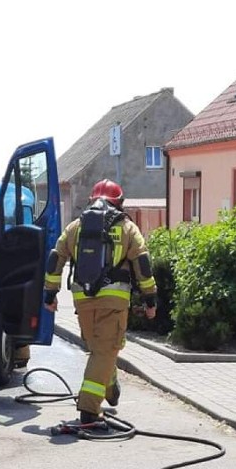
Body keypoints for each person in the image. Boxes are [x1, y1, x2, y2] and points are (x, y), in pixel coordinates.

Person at [43, 179, 157, 427]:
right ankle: (89, 409)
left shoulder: (75, 227)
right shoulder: (127, 227)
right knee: (106, 350)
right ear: (119, 202)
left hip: (82, 299)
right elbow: (143, 263)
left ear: (91, 200)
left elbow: (56, 257)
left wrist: (49, 295)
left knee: (101, 350)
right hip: (113, 300)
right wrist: (150, 299)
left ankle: (110, 384)